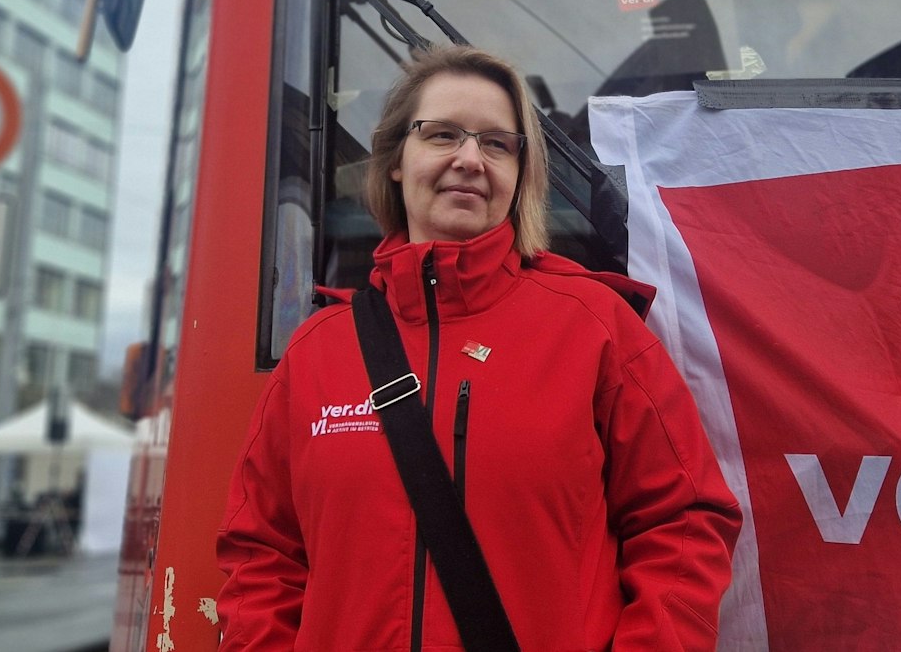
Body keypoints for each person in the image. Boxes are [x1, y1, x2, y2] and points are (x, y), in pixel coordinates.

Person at [217, 45, 741, 651]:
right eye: (442, 135)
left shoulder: (595, 328)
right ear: (395, 160)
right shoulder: (315, 352)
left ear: (520, 176)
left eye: (496, 144)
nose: (469, 159)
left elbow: (685, 520)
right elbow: (262, 557)